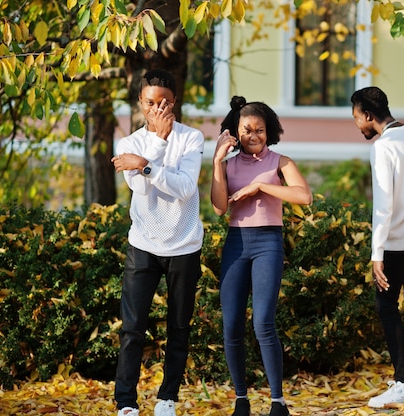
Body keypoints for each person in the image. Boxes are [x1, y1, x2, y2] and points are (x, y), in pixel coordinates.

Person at [211, 96, 312, 416]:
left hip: (268, 241)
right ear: (234, 131)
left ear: (269, 131)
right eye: (246, 130)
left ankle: (277, 401)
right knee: (231, 326)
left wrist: (261, 187)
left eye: (260, 130)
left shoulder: (280, 162)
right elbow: (218, 207)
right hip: (236, 244)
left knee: (264, 322)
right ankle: (241, 399)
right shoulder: (227, 165)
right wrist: (215, 161)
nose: (253, 136)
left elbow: (304, 196)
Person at [111, 69, 204, 416]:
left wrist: (145, 165)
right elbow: (138, 188)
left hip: (184, 245)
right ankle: (126, 403)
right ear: (140, 103)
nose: (156, 109)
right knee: (133, 329)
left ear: (174, 102)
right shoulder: (130, 144)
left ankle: (168, 399)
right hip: (143, 244)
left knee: (179, 327)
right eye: (150, 102)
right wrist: (158, 146)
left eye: (163, 102)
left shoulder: (192, 138)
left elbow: (185, 189)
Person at [350, 87, 404, 408]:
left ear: (368, 116)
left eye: (357, 118)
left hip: (396, 243)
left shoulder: (384, 147)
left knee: (387, 308)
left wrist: (376, 253)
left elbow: (382, 205)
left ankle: (402, 380)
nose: (358, 125)